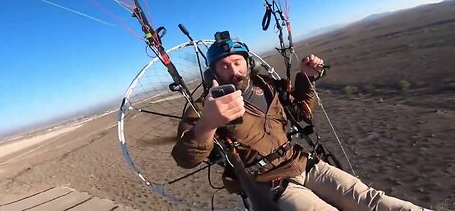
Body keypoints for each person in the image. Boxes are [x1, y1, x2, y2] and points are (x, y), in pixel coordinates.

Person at [172, 31, 427, 211]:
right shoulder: (205, 107)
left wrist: (306, 77)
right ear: (213, 72)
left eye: (237, 62)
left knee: (374, 202)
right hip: (271, 184)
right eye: (224, 66)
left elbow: (301, 112)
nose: (233, 71)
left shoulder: (268, 86)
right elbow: (185, 157)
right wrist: (208, 123)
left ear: (247, 64)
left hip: (306, 164)